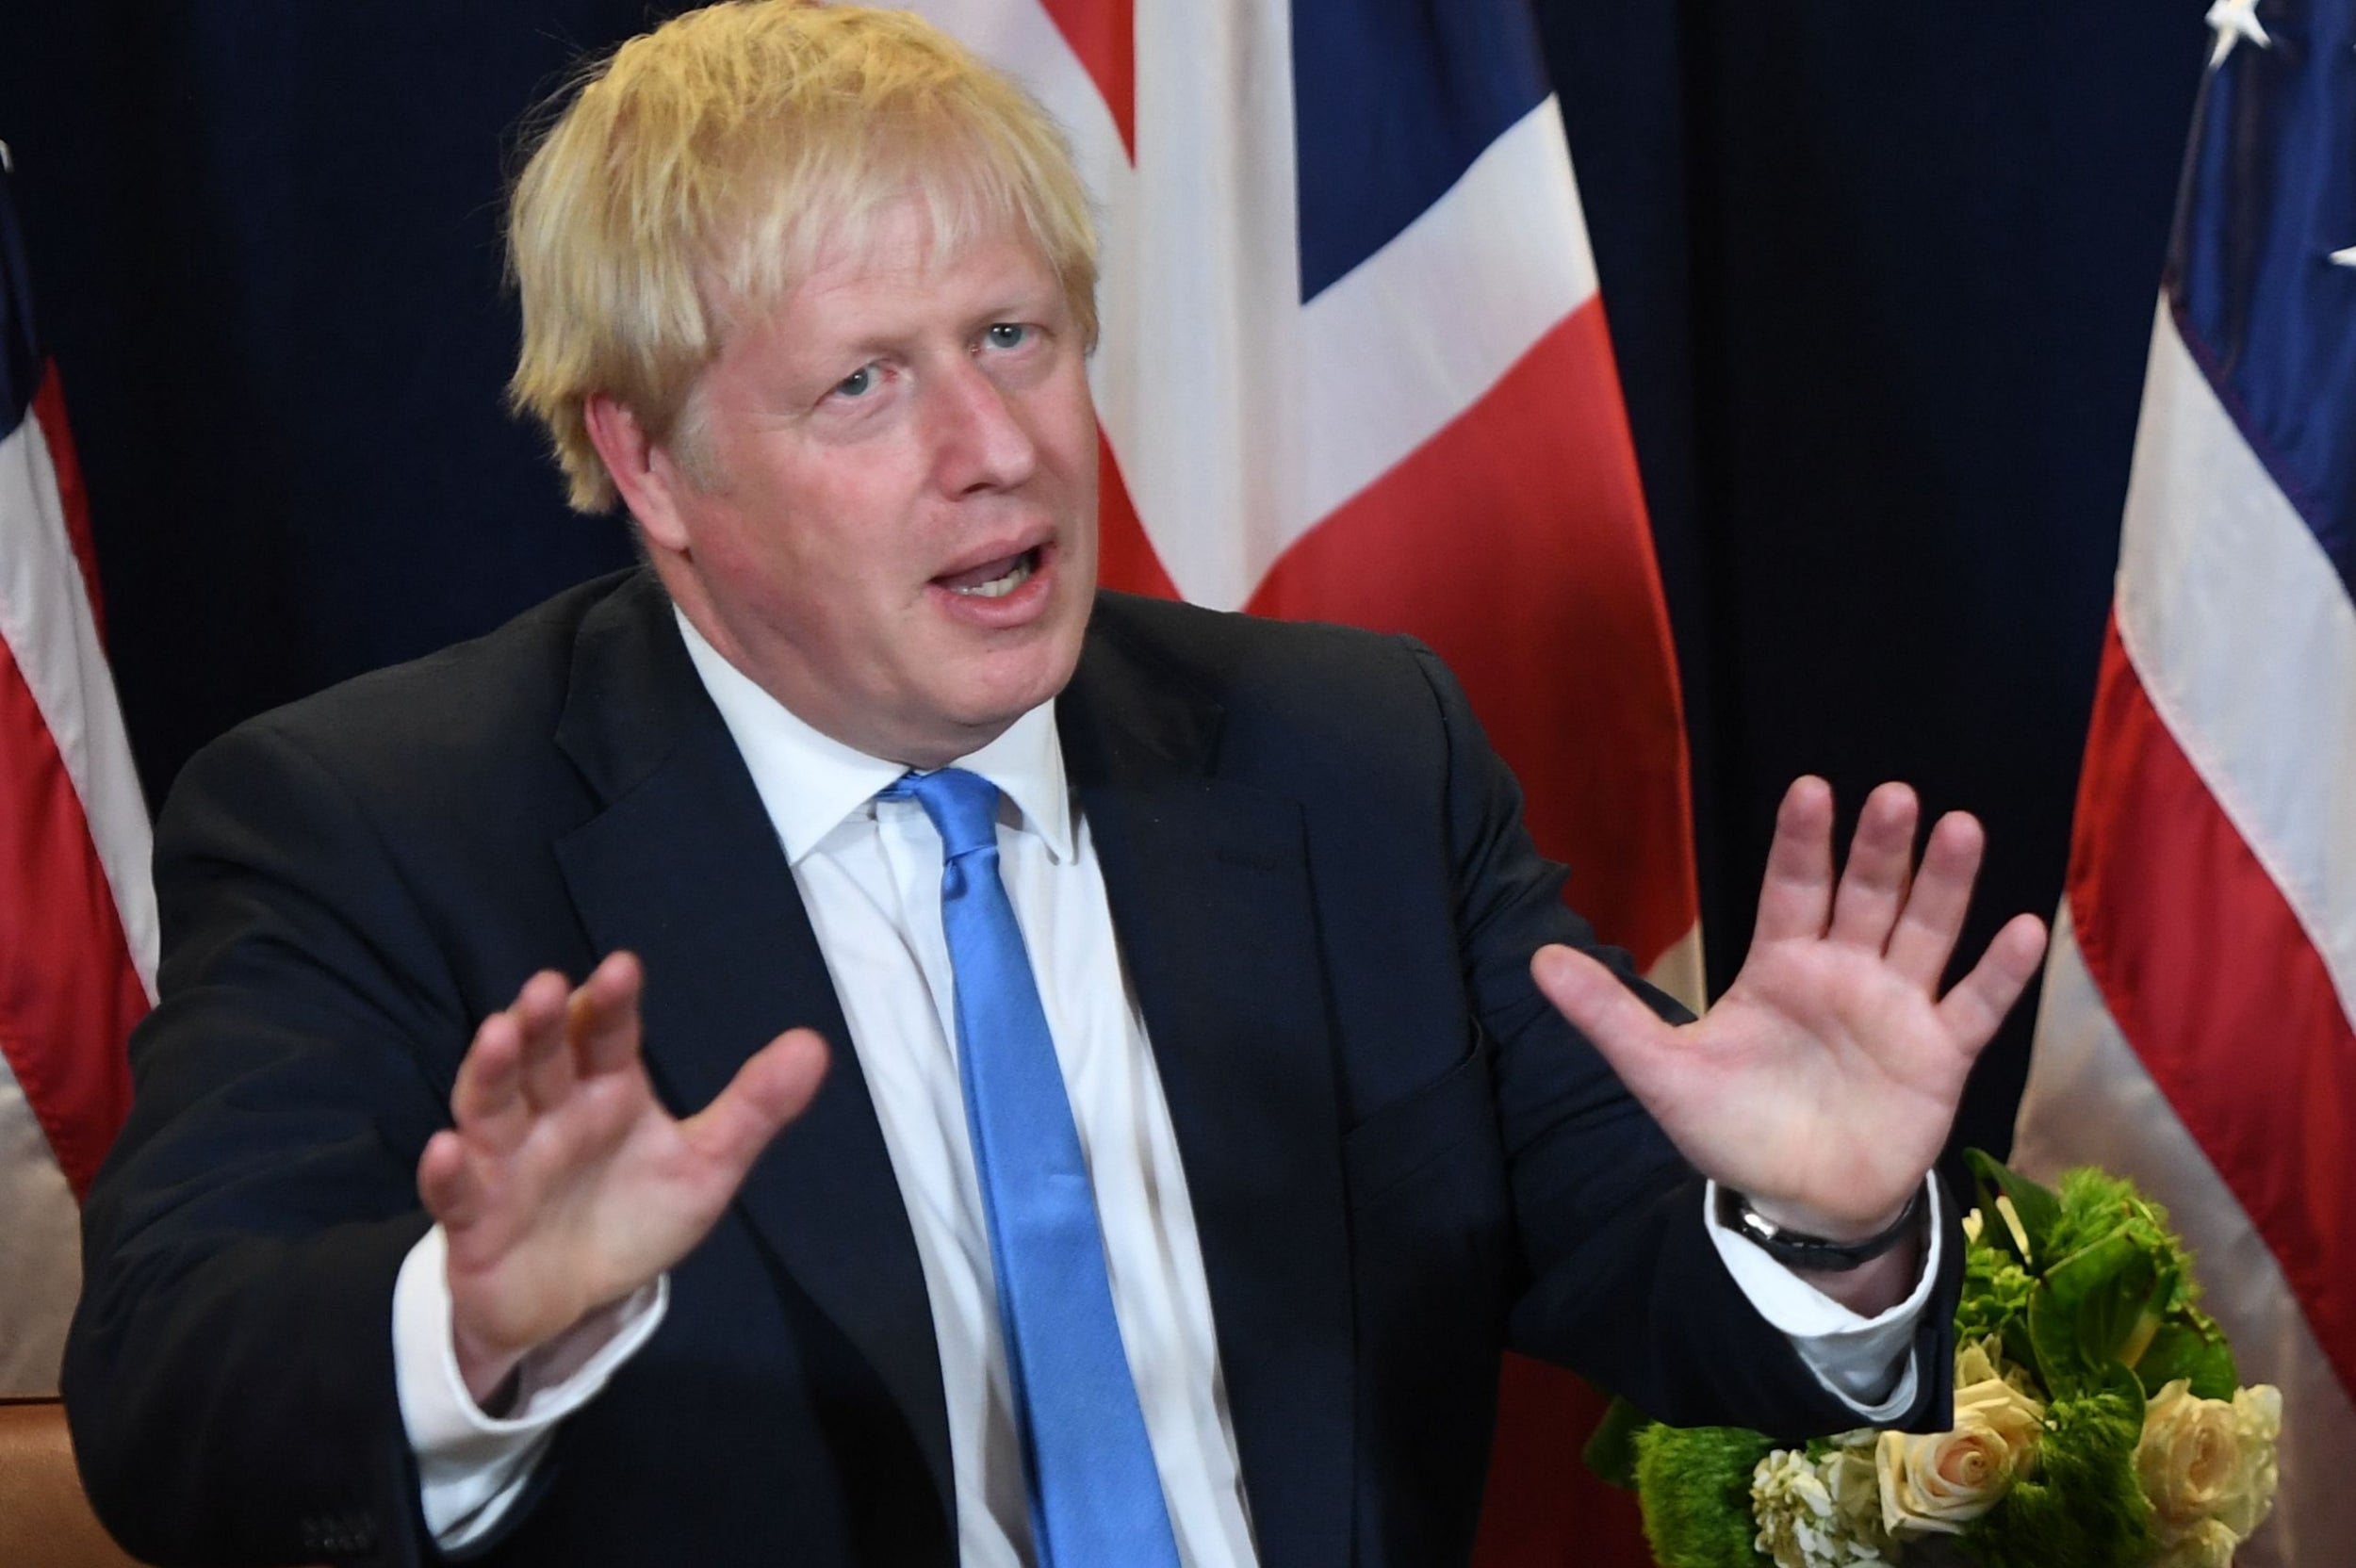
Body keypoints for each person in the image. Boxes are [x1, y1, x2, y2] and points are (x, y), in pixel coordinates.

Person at [62, 7, 2048, 1567]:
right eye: (865, 381)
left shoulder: (1352, 758)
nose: (995, 447)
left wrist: (1828, 1223)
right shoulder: (381, 828)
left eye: (1012, 336)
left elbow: (1668, 1285)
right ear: (651, 464)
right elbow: (162, 1401)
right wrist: (471, 1327)